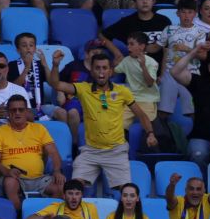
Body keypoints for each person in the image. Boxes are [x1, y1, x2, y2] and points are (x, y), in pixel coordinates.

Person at [47, 50, 157, 193]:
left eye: (105, 68)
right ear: (91, 70)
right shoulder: (83, 89)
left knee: (127, 193)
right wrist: (55, 65)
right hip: (90, 151)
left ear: (110, 71)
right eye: (97, 68)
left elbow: (141, 114)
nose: (101, 72)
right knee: (74, 188)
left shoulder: (122, 91)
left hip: (116, 151)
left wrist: (150, 133)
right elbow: (56, 84)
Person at [0, 95, 65, 210]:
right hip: (14, 178)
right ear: (8, 113)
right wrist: (8, 171)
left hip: (39, 178)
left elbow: (53, 153)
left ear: (27, 112)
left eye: (21, 110)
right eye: (13, 110)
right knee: (10, 184)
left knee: (59, 186)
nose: (17, 113)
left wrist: (57, 171)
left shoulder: (39, 129)